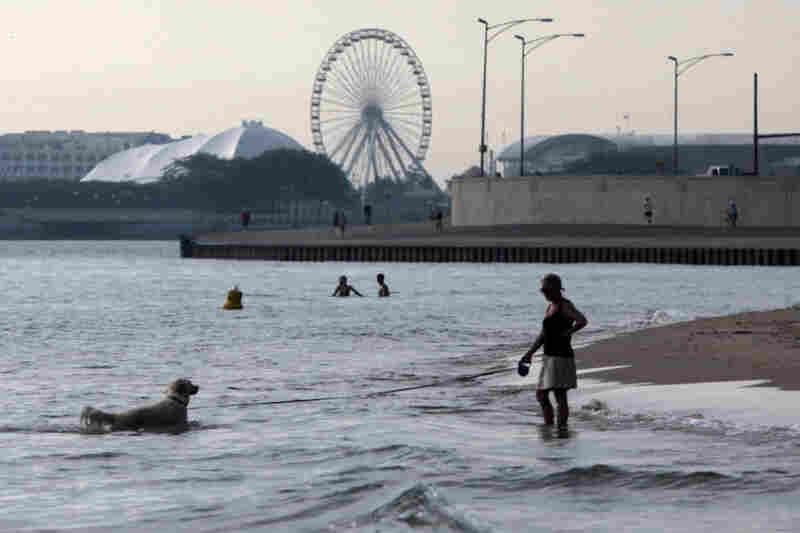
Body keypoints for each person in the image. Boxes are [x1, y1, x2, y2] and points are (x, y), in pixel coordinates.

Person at [518, 273, 587, 429]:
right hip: (549, 355)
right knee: (542, 395)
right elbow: (543, 334)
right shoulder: (550, 307)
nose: (544, 292)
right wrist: (529, 354)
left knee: (558, 395)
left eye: (546, 289)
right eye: (542, 290)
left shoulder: (565, 305)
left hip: (561, 356)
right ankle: (551, 427)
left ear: (556, 289)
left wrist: (568, 332)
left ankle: (560, 429)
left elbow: (582, 320)